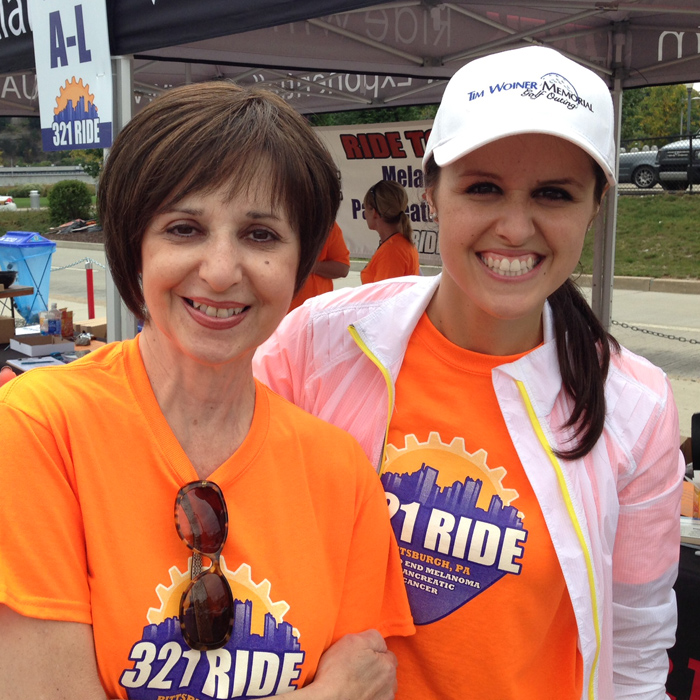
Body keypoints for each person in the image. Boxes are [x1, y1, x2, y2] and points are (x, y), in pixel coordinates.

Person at [254, 46, 684, 699]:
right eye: (482, 187)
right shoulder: (319, 344)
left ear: (595, 206)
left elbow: (636, 646)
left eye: (554, 193)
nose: (515, 227)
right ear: (432, 194)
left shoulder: (634, 406)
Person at [0, 82, 414, 700]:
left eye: (261, 236)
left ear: (300, 266)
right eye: (185, 228)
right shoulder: (40, 430)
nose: (221, 271)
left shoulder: (340, 476)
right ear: (134, 248)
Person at [360, 180, 419, 284]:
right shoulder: (399, 244)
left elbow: (383, 298)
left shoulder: (392, 251)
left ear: (374, 212)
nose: (364, 214)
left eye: (365, 208)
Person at [289, 221, 350, 311]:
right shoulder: (276, 220)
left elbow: (342, 269)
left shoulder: (327, 224)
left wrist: (307, 265)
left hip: (314, 312)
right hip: (278, 313)